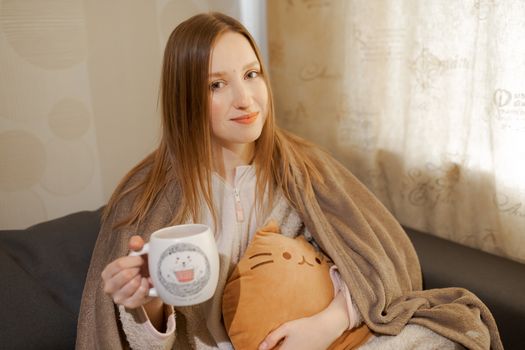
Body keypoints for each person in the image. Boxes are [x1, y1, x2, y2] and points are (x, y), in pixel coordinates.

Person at [76, 12, 502, 350]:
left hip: (328, 337)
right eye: (217, 85)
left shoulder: (305, 168)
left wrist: (328, 323)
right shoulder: (144, 196)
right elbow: (129, 341)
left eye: (252, 74)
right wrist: (149, 302)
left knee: (446, 335)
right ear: (184, 97)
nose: (245, 100)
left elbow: (380, 263)